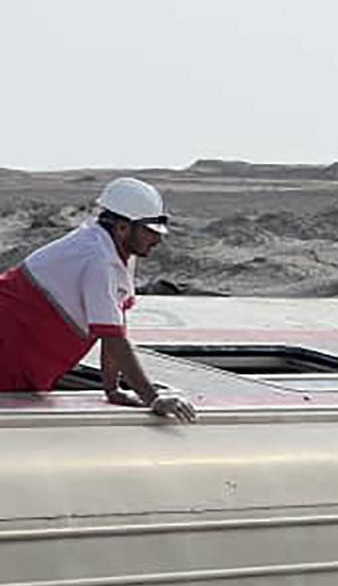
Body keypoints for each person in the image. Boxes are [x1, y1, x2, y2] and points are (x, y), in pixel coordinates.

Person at [0, 178, 196, 422]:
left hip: (24, 358)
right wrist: (153, 397)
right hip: (10, 351)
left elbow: (114, 326)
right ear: (123, 227)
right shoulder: (98, 259)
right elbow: (113, 340)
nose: (157, 240)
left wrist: (112, 389)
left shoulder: (117, 251)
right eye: (150, 232)